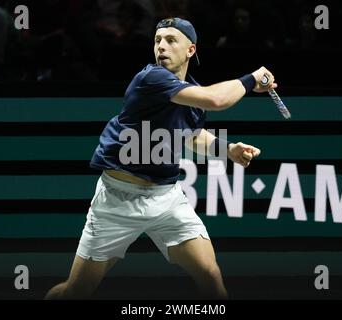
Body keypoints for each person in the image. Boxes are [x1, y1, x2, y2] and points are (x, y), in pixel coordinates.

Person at [45, 17, 277, 300]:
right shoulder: (150, 79)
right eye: (157, 41)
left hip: (166, 199)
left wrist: (228, 150)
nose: (161, 47)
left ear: (190, 50)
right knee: (76, 291)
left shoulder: (190, 94)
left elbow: (191, 136)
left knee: (211, 275)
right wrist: (252, 79)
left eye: (170, 40)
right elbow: (217, 100)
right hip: (117, 201)